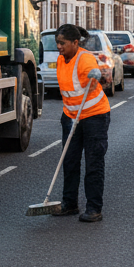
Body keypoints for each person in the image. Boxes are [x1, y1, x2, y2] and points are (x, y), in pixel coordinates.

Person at [53, 23, 111, 222]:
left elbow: (94, 79)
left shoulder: (85, 59)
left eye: (63, 43)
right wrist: (69, 116)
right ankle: (69, 204)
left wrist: (95, 77)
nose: (59, 47)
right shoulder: (62, 60)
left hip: (95, 116)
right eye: (57, 43)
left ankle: (94, 208)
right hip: (71, 116)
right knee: (69, 161)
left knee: (93, 163)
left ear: (75, 43)